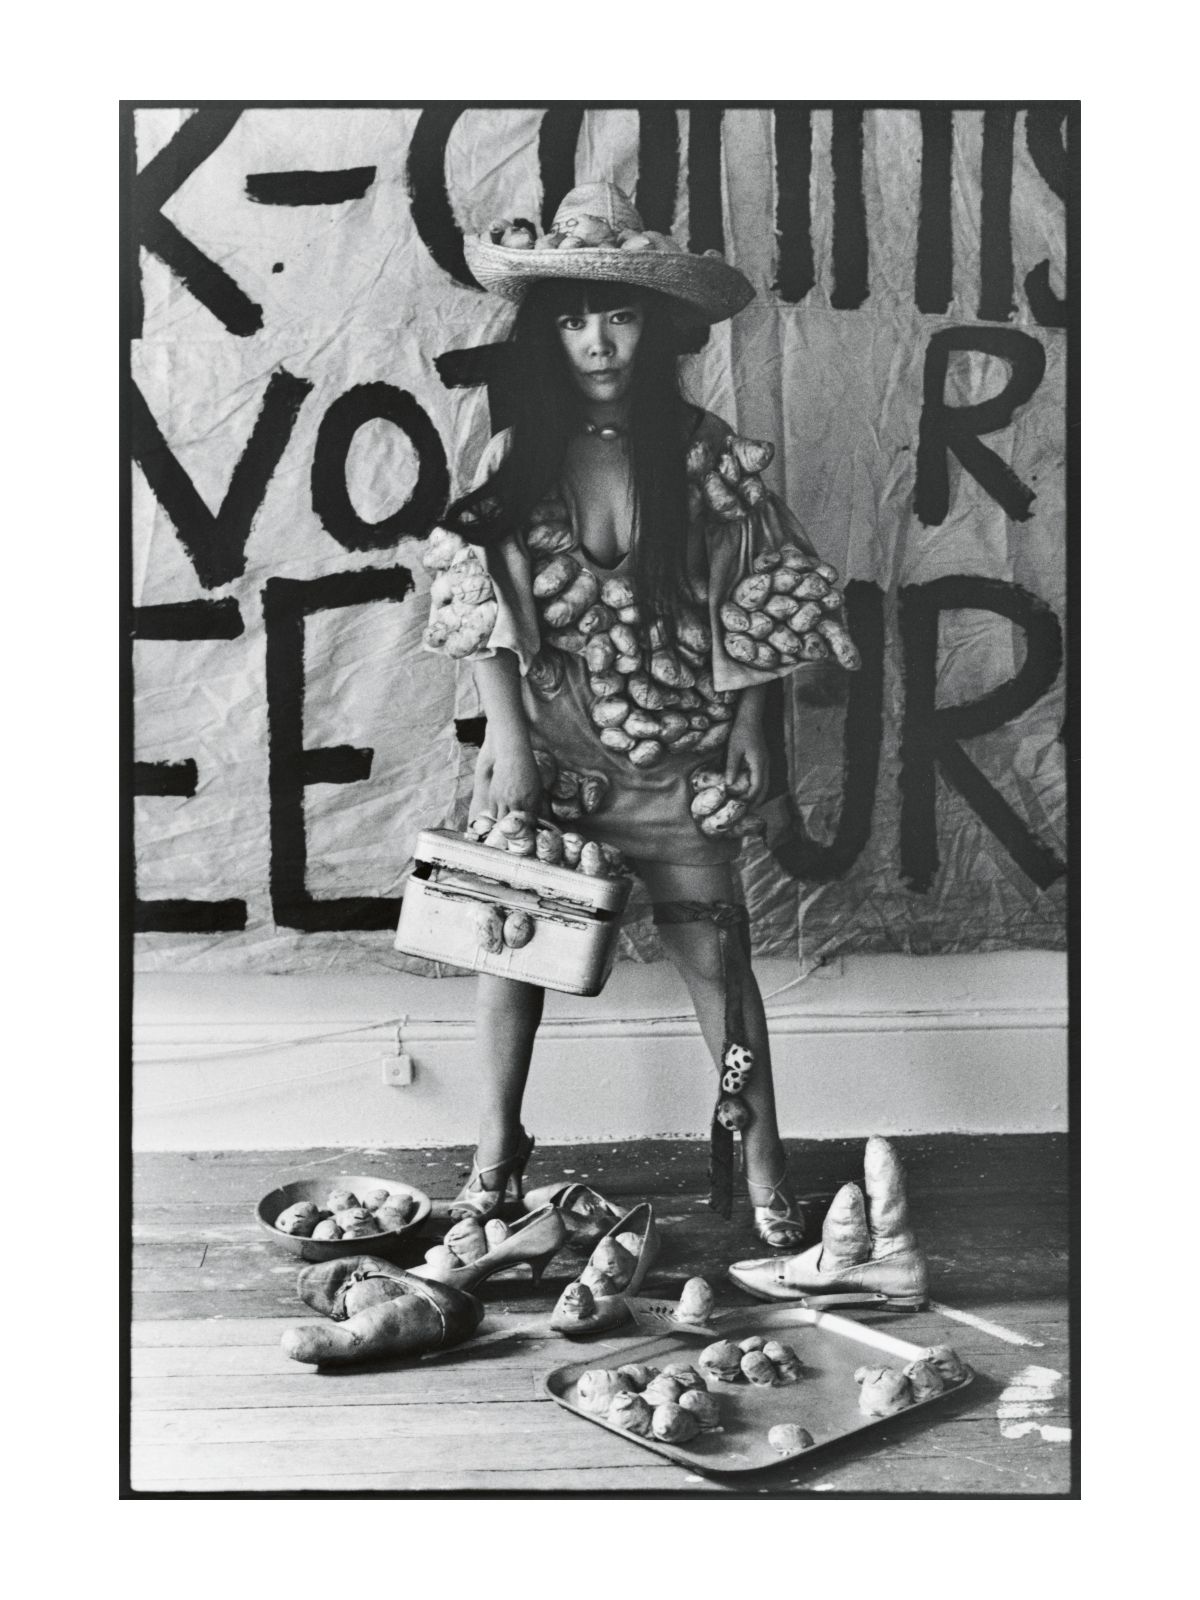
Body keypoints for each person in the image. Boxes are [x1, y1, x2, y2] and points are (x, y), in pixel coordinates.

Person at [422, 183, 858, 1251]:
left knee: (721, 964)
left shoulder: (710, 455)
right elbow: (472, 597)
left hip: (683, 766)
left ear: (655, 323)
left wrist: (757, 728)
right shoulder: (515, 457)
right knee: (509, 949)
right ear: (546, 332)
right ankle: (493, 1152)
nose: (597, 340)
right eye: (571, 319)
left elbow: (766, 590)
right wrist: (508, 741)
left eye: (616, 315)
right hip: (553, 760)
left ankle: (762, 1167)